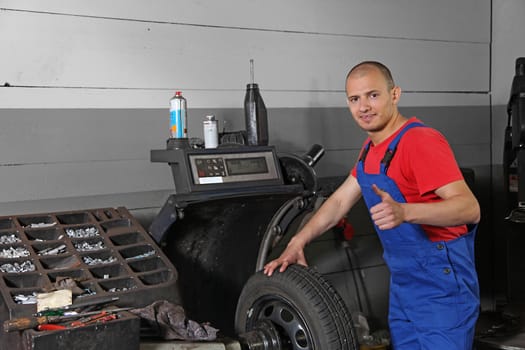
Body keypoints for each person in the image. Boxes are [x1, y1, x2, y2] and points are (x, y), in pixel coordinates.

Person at [263, 61, 481, 350]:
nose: (364, 106)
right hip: (404, 284)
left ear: (395, 94)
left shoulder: (419, 141)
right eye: (355, 99)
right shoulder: (371, 150)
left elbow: (469, 208)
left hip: (441, 284)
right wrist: (297, 242)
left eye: (373, 95)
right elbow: (340, 200)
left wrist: (406, 212)